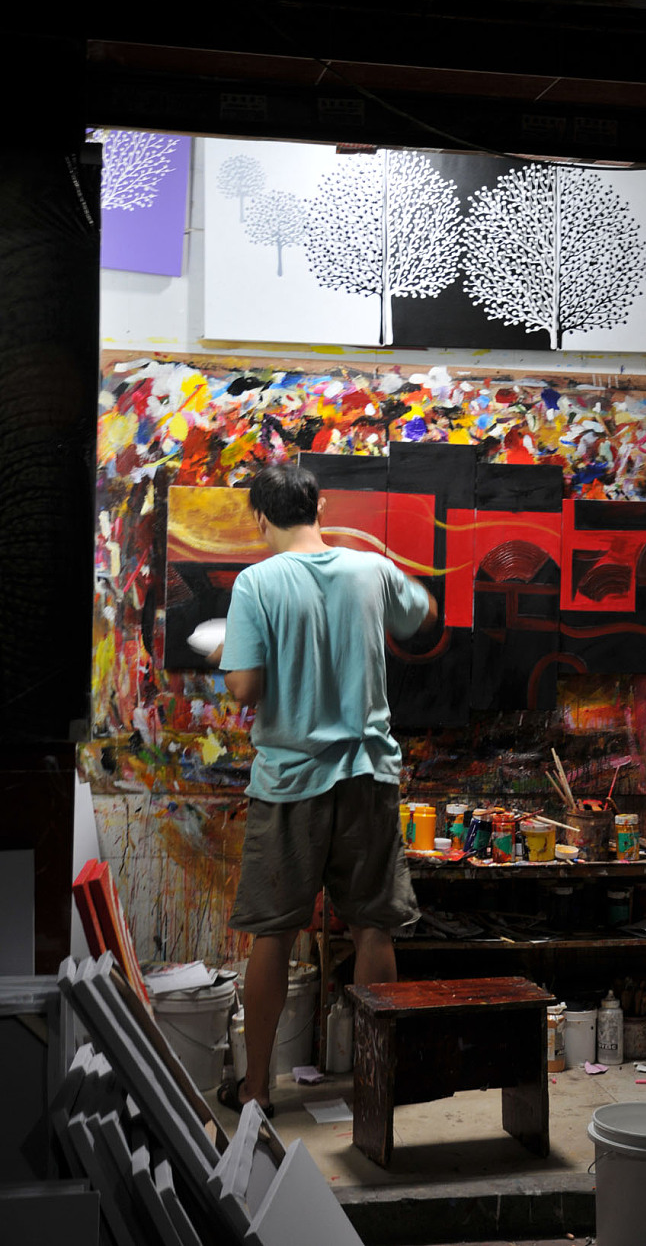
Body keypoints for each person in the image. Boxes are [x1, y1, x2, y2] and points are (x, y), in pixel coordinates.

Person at [208, 462, 437, 1115]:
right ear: (321, 507)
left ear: (261, 518)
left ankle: (256, 1089)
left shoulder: (257, 583)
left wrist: (225, 654)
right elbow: (424, 614)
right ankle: (374, 1085)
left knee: (274, 934)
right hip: (368, 778)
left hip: (290, 785)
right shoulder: (371, 570)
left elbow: (245, 687)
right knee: (373, 928)